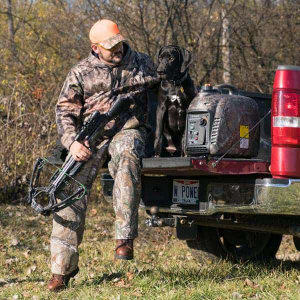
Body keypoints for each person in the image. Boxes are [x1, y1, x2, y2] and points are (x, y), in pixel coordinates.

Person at [47, 19, 159, 292]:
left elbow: (163, 89)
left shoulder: (141, 63)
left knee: (128, 156)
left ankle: (124, 238)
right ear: (95, 48)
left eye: (119, 43)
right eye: (110, 47)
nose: (117, 49)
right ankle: (62, 270)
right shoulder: (81, 72)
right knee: (68, 191)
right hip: (89, 137)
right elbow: (65, 111)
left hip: (127, 130)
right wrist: (72, 143)